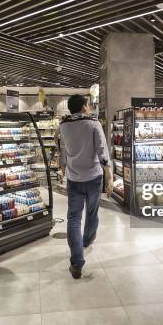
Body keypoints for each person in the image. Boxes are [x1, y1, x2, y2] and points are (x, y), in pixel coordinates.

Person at [59, 95, 112, 279]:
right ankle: (88, 239)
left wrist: (62, 168)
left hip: (73, 178)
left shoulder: (63, 125)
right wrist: (109, 175)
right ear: (84, 107)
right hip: (93, 176)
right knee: (92, 211)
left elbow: (63, 151)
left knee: (74, 218)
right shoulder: (93, 124)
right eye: (88, 105)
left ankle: (77, 262)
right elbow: (102, 151)